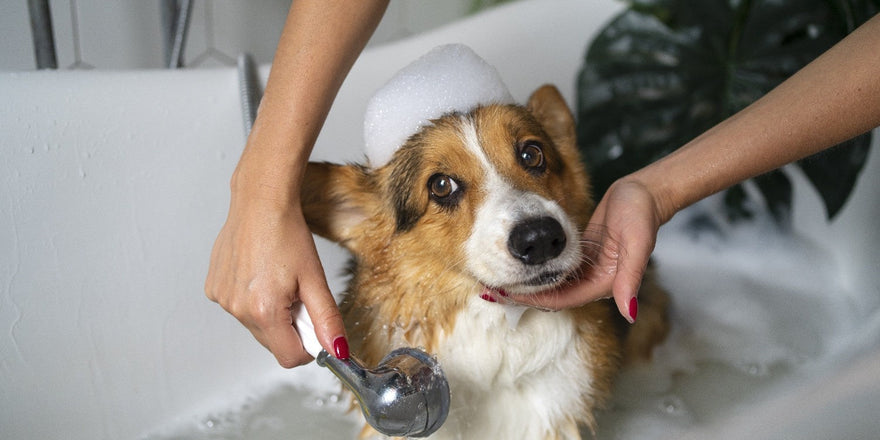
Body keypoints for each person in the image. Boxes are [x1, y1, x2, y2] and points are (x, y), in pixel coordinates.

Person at [206, 0, 880, 368]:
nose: (530, 213)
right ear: (368, 224)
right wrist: (262, 191)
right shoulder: (368, 220)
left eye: (531, 157)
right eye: (445, 188)